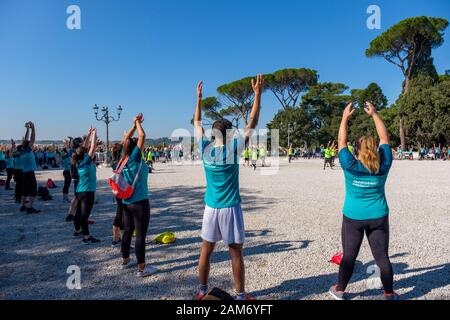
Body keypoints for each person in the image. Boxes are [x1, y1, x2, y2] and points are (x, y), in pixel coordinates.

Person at [193, 75, 264, 301]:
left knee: (206, 249)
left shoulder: (205, 149)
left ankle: (202, 291)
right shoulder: (233, 149)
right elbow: (252, 122)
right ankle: (240, 296)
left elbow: (196, 123)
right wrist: (257, 94)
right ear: (228, 134)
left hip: (211, 207)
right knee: (235, 252)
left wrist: (199, 99)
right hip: (230, 207)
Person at [329, 102, 398, 301]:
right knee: (382, 258)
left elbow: (341, 141)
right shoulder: (384, 164)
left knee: (349, 256)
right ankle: (388, 293)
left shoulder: (350, 164)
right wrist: (374, 114)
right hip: (378, 216)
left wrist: (344, 118)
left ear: (356, 150)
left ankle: (340, 290)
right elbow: (384, 137)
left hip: (353, 217)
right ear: (376, 149)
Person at [119, 114, 157, 277]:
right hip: (140, 201)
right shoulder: (134, 158)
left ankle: (126, 260)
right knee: (140, 235)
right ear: (135, 148)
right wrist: (136, 123)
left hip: (126, 201)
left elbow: (126, 140)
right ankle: (142, 268)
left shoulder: (123, 159)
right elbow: (142, 136)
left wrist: (134, 126)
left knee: (127, 231)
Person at [72, 128, 100, 244]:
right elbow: (92, 147)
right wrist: (94, 134)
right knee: (84, 215)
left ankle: (78, 230)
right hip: (87, 191)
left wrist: (88, 134)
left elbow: (84, 147)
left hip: (80, 190)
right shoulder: (86, 161)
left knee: (78, 213)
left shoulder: (79, 161)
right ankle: (86, 237)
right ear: (85, 154)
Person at [20, 122, 40, 214]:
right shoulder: (27, 150)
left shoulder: (22, 150)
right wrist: (33, 128)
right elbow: (32, 138)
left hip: (24, 172)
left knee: (25, 190)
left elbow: (26, 139)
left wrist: (27, 129)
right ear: (28, 145)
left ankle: (22, 206)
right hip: (29, 172)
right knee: (33, 190)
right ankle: (30, 207)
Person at [111, 143, 124, 247]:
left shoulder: (114, 161)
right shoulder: (122, 161)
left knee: (119, 212)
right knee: (123, 214)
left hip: (117, 188)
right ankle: (122, 239)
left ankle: (115, 237)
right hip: (124, 188)